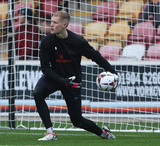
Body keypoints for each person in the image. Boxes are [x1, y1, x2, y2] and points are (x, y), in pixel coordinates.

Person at [33, 11, 119, 141]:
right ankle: (50, 132)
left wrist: (113, 72)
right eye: (51, 22)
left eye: (55, 23)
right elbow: (45, 68)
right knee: (37, 93)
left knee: (77, 121)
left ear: (64, 25)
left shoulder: (77, 41)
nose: (51, 25)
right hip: (55, 78)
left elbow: (96, 57)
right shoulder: (46, 41)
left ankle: (103, 133)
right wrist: (62, 80)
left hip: (72, 81)